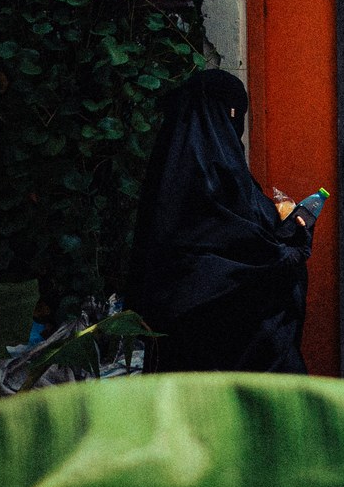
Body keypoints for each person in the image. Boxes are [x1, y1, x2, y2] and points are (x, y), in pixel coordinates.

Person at [123, 69, 319, 373]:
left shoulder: (165, 177)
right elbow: (252, 257)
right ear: (229, 113)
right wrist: (294, 232)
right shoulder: (223, 173)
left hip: (181, 359)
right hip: (235, 357)